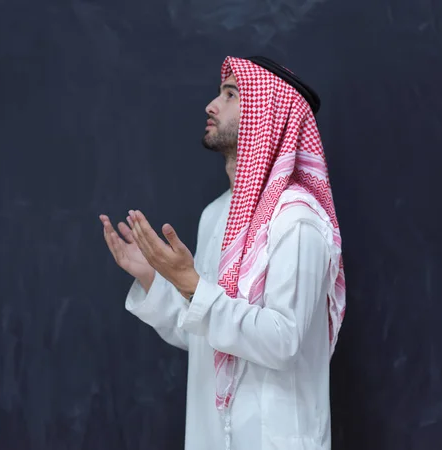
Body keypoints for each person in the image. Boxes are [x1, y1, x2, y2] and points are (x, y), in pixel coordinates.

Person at [99, 56, 346, 450]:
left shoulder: (296, 220)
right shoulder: (215, 215)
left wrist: (191, 284)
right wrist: (154, 277)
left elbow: (282, 341)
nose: (211, 105)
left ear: (269, 115)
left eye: (230, 94)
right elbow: (207, 332)